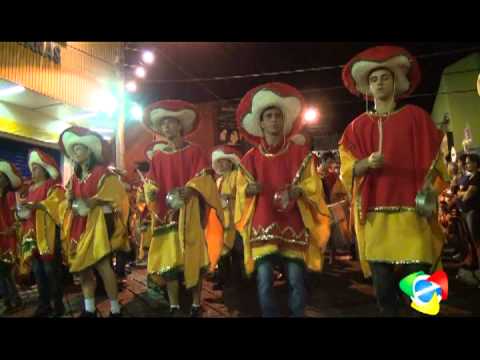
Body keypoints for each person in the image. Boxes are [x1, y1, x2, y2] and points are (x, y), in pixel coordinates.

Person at [339, 45, 449, 316]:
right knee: (384, 291)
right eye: (374, 79)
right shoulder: (355, 128)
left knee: (421, 291)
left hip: (413, 216)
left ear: (395, 82)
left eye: (384, 77)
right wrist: (364, 164)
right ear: (367, 86)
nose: (379, 83)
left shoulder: (417, 118)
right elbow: (346, 170)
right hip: (376, 220)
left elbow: (437, 159)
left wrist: (429, 189)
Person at [234, 82, 330, 317]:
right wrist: (248, 190)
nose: (274, 120)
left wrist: (300, 191)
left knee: (297, 280)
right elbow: (239, 189)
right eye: (269, 116)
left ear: (284, 121)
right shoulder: (250, 158)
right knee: (264, 281)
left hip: (293, 223)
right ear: (262, 123)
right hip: (262, 223)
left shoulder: (300, 154)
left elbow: (313, 185)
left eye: (278, 115)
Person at [142, 99, 224, 317]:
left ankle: (197, 303)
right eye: (164, 124)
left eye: (171, 123)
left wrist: (192, 189)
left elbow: (204, 177)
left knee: (194, 259)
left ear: (180, 126)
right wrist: (150, 190)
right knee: (169, 264)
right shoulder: (158, 157)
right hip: (166, 214)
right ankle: (175, 305)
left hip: (190, 213)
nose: (167, 127)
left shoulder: (195, 152)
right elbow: (152, 182)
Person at [59, 126, 130, 317]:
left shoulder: (103, 172)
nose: (74, 153)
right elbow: (69, 202)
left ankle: (115, 309)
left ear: (89, 151)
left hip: (99, 224)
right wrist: (70, 198)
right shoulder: (74, 177)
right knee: (83, 268)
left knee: (103, 265)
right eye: (72, 150)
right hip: (79, 224)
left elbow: (116, 193)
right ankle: (89, 308)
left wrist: (93, 201)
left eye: (78, 148)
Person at [19, 149, 66, 317]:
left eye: (36, 168)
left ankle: (58, 305)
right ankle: (44, 304)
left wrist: (37, 206)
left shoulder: (53, 186)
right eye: (32, 169)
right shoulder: (30, 189)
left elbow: (58, 204)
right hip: (32, 235)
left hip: (48, 235)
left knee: (51, 271)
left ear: (45, 169)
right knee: (38, 272)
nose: (33, 172)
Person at [207, 145, 244, 290]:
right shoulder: (218, 180)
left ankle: (237, 281)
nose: (221, 164)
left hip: (235, 220)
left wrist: (229, 196)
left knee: (236, 252)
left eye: (224, 161)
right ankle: (224, 279)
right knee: (222, 252)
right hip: (221, 221)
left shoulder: (237, 176)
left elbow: (242, 194)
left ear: (231, 162)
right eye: (219, 162)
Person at [0, 160, 23, 314]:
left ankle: (14, 301)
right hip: (3, 235)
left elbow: (10, 218)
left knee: (5, 271)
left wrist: (12, 228)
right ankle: (10, 301)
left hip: (6, 238)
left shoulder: (6, 197)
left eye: (2, 177)